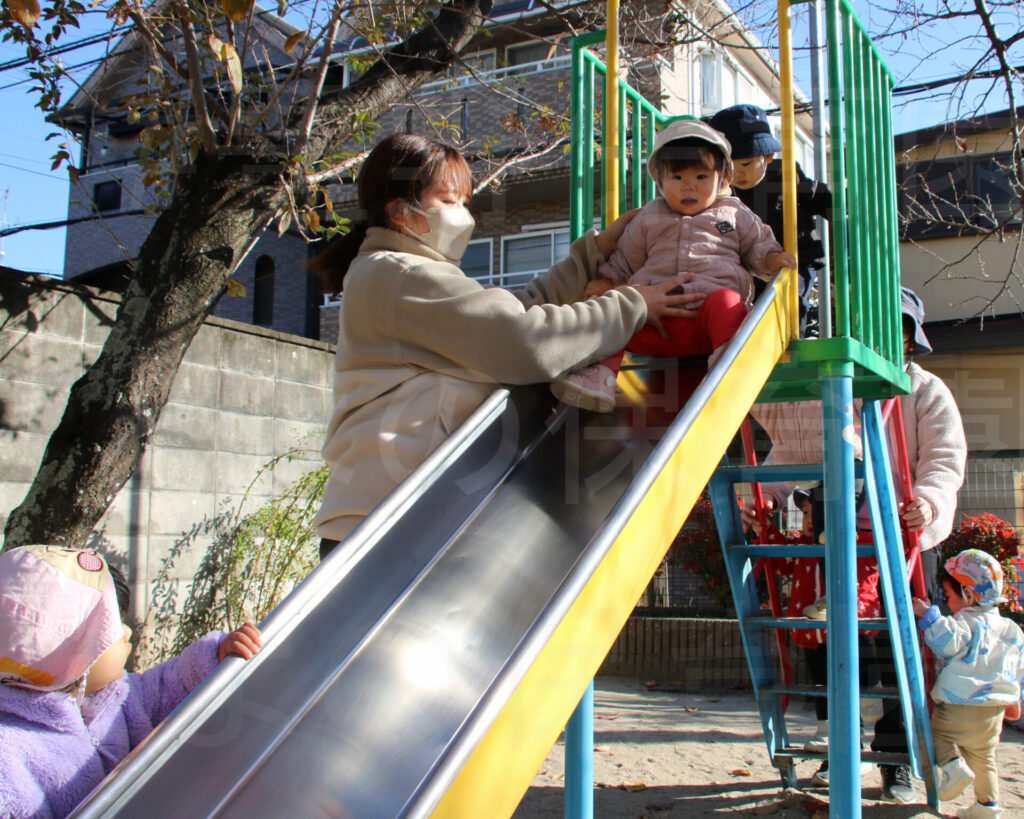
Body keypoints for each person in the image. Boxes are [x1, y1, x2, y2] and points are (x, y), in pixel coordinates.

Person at [310, 133, 700, 555]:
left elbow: (512, 314)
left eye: (464, 201)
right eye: (448, 201)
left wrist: (592, 256)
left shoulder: (402, 272)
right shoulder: (399, 274)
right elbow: (524, 341)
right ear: (400, 212)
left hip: (395, 511)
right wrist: (631, 305)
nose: (463, 215)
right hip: (386, 522)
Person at [743, 286, 967, 802]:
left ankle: (896, 759)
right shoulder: (838, 387)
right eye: (875, 328)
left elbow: (944, 458)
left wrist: (929, 502)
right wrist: (766, 498)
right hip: (838, 532)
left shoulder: (923, 390)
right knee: (825, 640)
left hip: (902, 534)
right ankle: (839, 748)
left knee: (895, 646)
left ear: (910, 341)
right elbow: (794, 452)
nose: (887, 340)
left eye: (899, 331)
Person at [550, 118, 795, 412]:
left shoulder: (733, 213)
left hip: (707, 323)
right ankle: (599, 376)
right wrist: (610, 282)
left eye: (701, 176)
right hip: (653, 323)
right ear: (660, 181)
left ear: (722, 180)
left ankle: (728, 364)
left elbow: (758, 245)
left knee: (728, 302)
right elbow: (626, 258)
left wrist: (771, 259)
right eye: (677, 177)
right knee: (617, 307)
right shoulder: (649, 217)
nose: (689, 186)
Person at [0, 545, 262, 819]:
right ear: (70, 651)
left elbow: (164, 689)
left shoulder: (115, 695)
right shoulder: (9, 757)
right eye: (111, 626)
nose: (127, 632)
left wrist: (215, 658)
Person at [912, 550, 1024, 819]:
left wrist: (930, 617)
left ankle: (953, 768)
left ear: (969, 595)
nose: (947, 603)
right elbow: (1018, 669)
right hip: (994, 712)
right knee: (984, 758)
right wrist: (1016, 699)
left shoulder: (967, 623)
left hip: (960, 703)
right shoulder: (1012, 629)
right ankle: (988, 807)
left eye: (948, 596)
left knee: (935, 734)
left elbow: (947, 643)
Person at [705, 103, 831, 336]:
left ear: (768, 156)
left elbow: (818, 196)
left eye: (745, 164)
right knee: (748, 307)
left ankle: (793, 342)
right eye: (729, 166)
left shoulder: (785, 175)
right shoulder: (723, 191)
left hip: (795, 257)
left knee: (790, 298)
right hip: (752, 262)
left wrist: (840, 208)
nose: (738, 174)